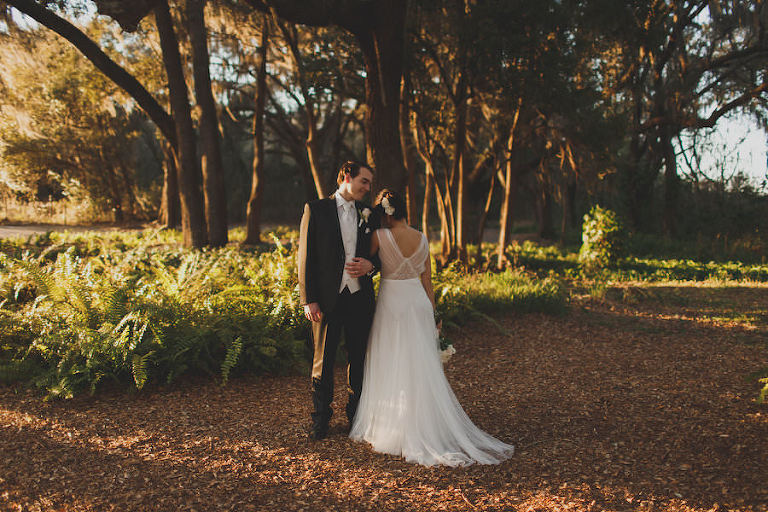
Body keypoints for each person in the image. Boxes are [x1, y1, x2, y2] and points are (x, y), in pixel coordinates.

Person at [349, 190, 514, 466]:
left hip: (393, 304)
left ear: (386, 213)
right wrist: (435, 314)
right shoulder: (423, 238)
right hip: (419, 304)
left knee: (390, 360)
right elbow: (428, 281)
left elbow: (369, 265)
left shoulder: (379, 237)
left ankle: (394, 428)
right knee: (419, 365)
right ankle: (423, 423)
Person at [297, 161, 379, 441]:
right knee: (323, 360)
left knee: (358, 359)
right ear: (347, 176)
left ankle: (356, 418)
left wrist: (371, 265)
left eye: (369, 184)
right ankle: (320, 421)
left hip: (360, 299)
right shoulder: (316, 209)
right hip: (328, 300)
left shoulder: (368, 214)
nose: (368, 188)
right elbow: (306, 257)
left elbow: (380, 253)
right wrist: (309, 299)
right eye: (364, 182)